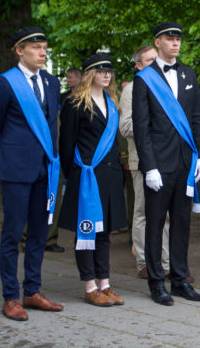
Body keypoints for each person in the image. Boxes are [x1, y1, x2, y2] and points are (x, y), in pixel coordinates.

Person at [0, 27, 63, 321]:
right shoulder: (4, 84)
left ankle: (32, 291)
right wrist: (2, 161)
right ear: (19, 50)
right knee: (12, 234)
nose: (42, 53)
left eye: (44, 48)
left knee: (39, 233)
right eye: (36, 48)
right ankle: (10, 297)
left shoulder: (52, 83)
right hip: (16, 170)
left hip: (46, 168)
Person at [132, 22, 200, 306]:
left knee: (182, 223)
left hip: (185, 161)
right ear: (158, 42)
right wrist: (149, 166)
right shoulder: (145, 78)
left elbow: (197, 117)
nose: (175, 44)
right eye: (170, 39)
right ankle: (155, 281)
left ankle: (179, 280)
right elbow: (142, 126)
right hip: (159, 166)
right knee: (154, 224)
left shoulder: (188, 73)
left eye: (178, 39)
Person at [58, 54, 127, 307]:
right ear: (89, 74)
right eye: (100, 70)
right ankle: (89, 286)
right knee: (86, 232)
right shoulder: (75, 103)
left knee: (105, 232)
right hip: (86, 176)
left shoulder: (112, 102)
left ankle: (105, 284)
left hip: (110, 175)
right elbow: (66, 145)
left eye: (109, 70)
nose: (106, 74)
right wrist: (74, 174)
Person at [119, 45, 166, 279]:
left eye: (156, 60)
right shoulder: (131, 90)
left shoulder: (166, 85)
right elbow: (125, 126)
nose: (155, 64)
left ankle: (165, 264)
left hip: (167, 159)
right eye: (149, 61)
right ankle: (144, 262)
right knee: (143, 213)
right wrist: (155, 127)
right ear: (138, 65)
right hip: (142, 160)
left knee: (165, 214)